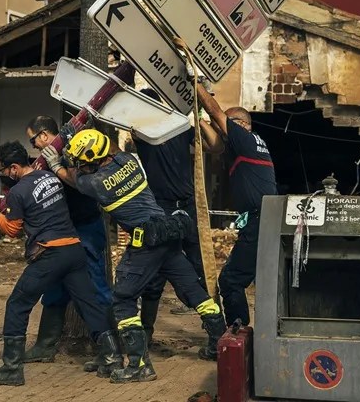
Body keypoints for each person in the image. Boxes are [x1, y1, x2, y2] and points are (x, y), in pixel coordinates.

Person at [41, 129, 226, 383]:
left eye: (83, 161)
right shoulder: (128, 161)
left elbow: (70, 177)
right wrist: (79, 141)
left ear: (94, 160)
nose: (81, 166)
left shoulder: (95, 183)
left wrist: (55, 164)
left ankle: (139, 365)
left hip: (145, 244)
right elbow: (111, 151)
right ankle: (219, 345)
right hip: (168, 233)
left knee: (123, 299)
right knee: (193, 290)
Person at [0, 141, 120, 386]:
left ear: (13, 168)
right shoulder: (49, 177)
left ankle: (11, 368)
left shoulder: (19, 191)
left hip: (50, 254)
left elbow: (12, 229)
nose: (3, 176)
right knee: (89, 304)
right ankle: (112, 358)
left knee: (18, 303)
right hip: (74, 251)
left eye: (2, 171)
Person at [133, 88, 222, 344]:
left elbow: (214, 146)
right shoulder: (142, 132)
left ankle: (215, 335)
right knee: (157, 272)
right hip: (162, 207)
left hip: (185, 206)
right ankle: (147, 333)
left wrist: (198, 113)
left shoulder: (180, 128)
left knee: (197, 268)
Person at [22, 116, 113, 366]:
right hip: (62, 232)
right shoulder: (49, 160)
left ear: (43, 135)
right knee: (54, 286)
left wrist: (59, 164)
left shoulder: (73, 152)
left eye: (34, 140)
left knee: (95, 287)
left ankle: (110, 348)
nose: (35, 146)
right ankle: (44, 345)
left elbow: (84, 183)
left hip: (85, 228)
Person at [196, 82, 277, 327]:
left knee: (231, 280)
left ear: (241, 125)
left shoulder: (244, 138)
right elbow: (213, 145)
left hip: (259, 221)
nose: (222, 131)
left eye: (226, 127)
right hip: (263, 220)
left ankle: (237, 333)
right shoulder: (249, 145)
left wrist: (196, 85)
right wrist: (197, 117)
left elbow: (215, 113)